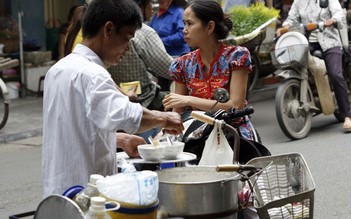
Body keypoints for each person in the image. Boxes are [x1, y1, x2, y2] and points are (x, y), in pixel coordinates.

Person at [42, 0, 184, 197]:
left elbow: (77, 129)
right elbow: (127, 115)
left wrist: (121, 140)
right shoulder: (93, 74)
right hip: (84, 192)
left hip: (58, 188)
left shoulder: (59, 69)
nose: (127, 48)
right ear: (108, 29)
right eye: (127, 39)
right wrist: (165, 118)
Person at [162, 0, 255, 140]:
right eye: (184, 23)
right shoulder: (182, 64)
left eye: (190, 23)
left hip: (234, 134)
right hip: (197, 135)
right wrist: (165, 128)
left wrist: (187, 100)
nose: (184, 30)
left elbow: (235, 106)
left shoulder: (236, 56)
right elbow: (178, 114)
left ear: (210, 27)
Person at [277, 0, 351, 132]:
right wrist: (285, 26)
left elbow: (339, 15)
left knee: (335, 74)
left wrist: (333, 20)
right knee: (295, 62)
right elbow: (291, 18)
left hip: (330, 42)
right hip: (306, 43)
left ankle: (347, 116)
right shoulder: (298, 2)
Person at [109, 0, 173, 111]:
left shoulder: (108, 32)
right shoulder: (143, 32)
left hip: (114, 100)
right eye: (149, 2)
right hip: (144, 100)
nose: (152, 7)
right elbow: (169, 69)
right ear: (138, 7)